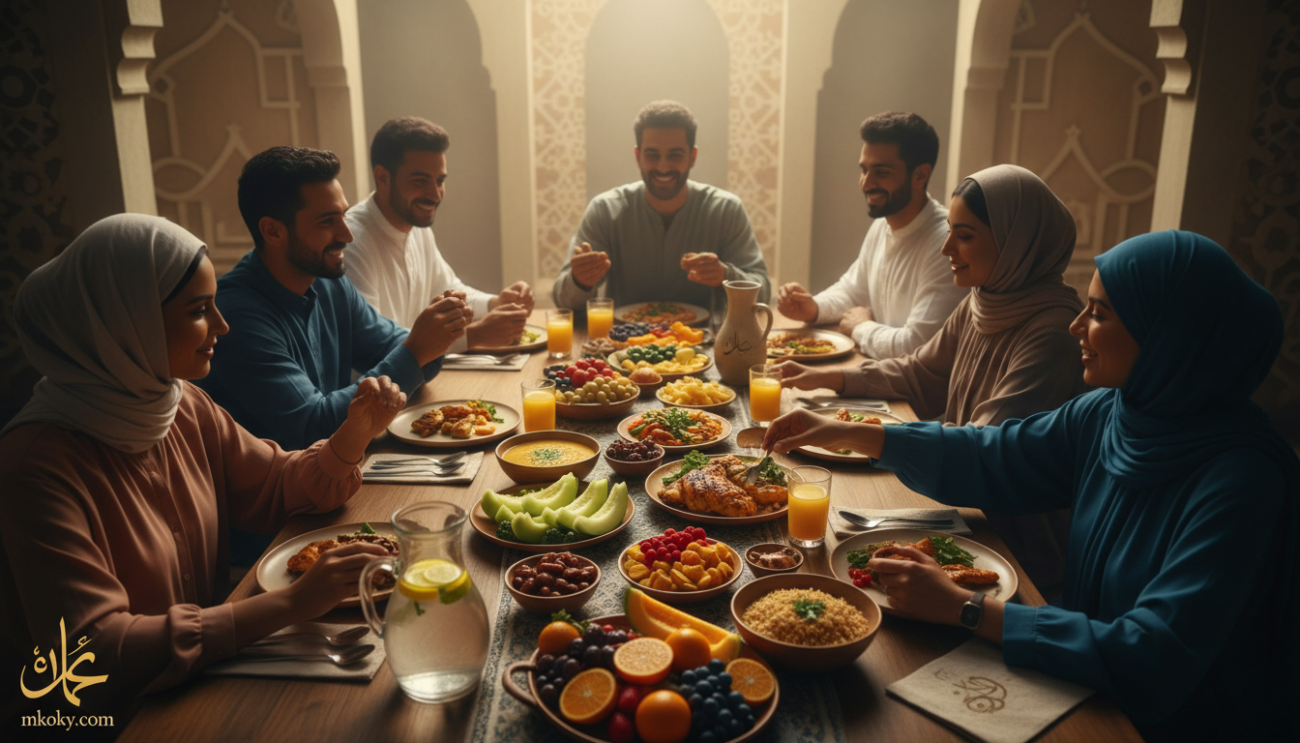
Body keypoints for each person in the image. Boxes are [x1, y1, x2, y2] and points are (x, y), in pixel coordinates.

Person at [761, 230, 1297, 741]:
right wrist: (852, 431)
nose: (1076, 326)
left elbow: (1153, 655)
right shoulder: (1115, 413)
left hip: (1170, 723)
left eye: (1100, 313)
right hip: (1075, 673)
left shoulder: (1242, 480)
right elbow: (996, 455)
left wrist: (965, 608)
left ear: (1168, 336)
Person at [0, 215, 403, 721]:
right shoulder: (35, 465)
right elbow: (93, 655)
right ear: (128, 321)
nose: (222, 325)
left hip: (204, 682)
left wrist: (354, 432)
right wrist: (291, 604)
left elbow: (277, 484)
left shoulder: (178, 402)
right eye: (199, 310)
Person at [777, 164, 1087, 587]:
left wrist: (844, 432)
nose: (946, 249)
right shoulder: (984, 300)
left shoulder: (1053, 332)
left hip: (1013, 545)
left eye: (965, 236)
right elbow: (921, 373)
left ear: (1016, 241)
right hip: (961, 504)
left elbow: (987, 455)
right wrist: (830, 378)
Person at [196, 146, 469, 452]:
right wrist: (417, 349)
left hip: (335, 476)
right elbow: (313, 428)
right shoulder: (238, 318)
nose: (347, 235)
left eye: (344, 215)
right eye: (327, 221)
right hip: (276, 496)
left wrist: (435, 334)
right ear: (272, 231)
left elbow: (412, 359)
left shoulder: (329, 282)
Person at [551, 100, 770, 311]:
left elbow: (763, 294)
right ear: (638, 157)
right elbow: (562, 300)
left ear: (692, 157)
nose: (663, 167)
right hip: (622, 345)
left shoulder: (726, 210)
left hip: (705, 346)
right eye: (652, 155)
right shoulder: (604, 211)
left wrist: (726, 275)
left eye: (675, 155)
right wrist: (580, 281)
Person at [777, 112, 964, 358]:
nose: (866, 183)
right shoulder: (883, 224)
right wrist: (813, 308)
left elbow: (918, 347)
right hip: (882, 378)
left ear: (920, 175)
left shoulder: (945, 244)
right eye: (864, 170)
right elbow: (854, 292)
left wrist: (860, 328)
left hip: (920, 395)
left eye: (881, 172)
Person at [345, 117, 534, 350]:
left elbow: (447, 289)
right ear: (382, 177)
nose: (435, 194)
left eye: (440, 180)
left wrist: (494, 304)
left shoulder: (416, 227)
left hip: (416, 380)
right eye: (420, 181)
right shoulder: (351, 241)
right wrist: (473, 336)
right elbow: (370, 343)